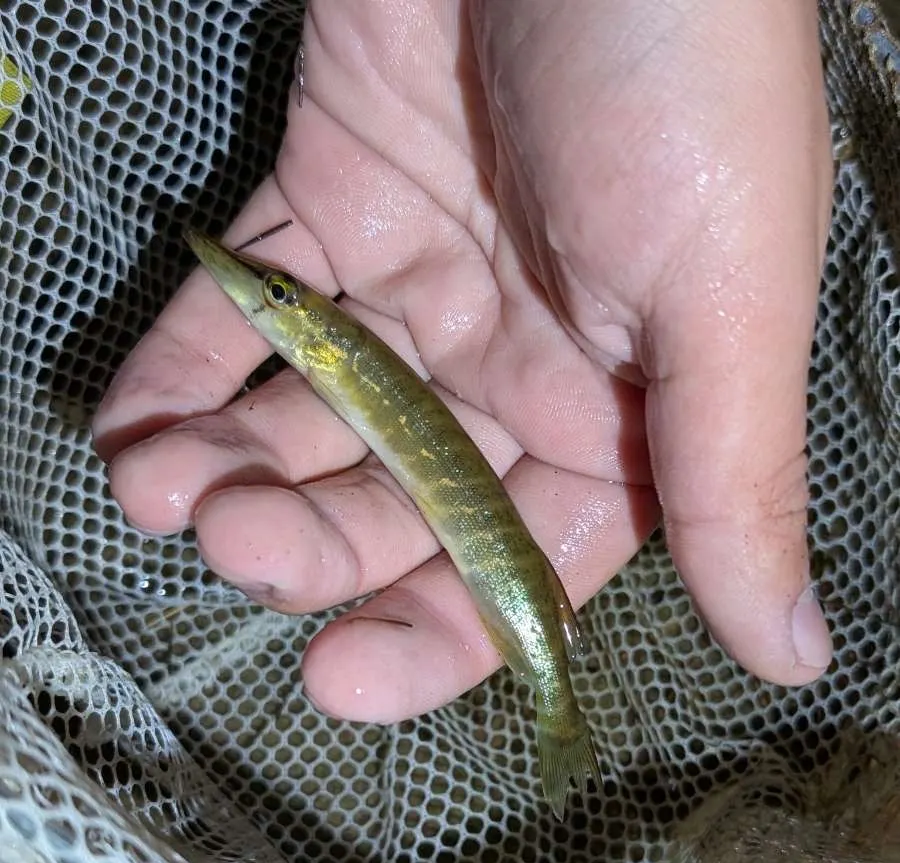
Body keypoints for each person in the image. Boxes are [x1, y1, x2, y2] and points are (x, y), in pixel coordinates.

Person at [92, 0, 833, 723]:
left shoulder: (327, 343)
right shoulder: (324, 344)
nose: (263, 290)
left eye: (277, 293)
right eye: (277, 292)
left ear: (309, 331)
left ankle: (555, 707)